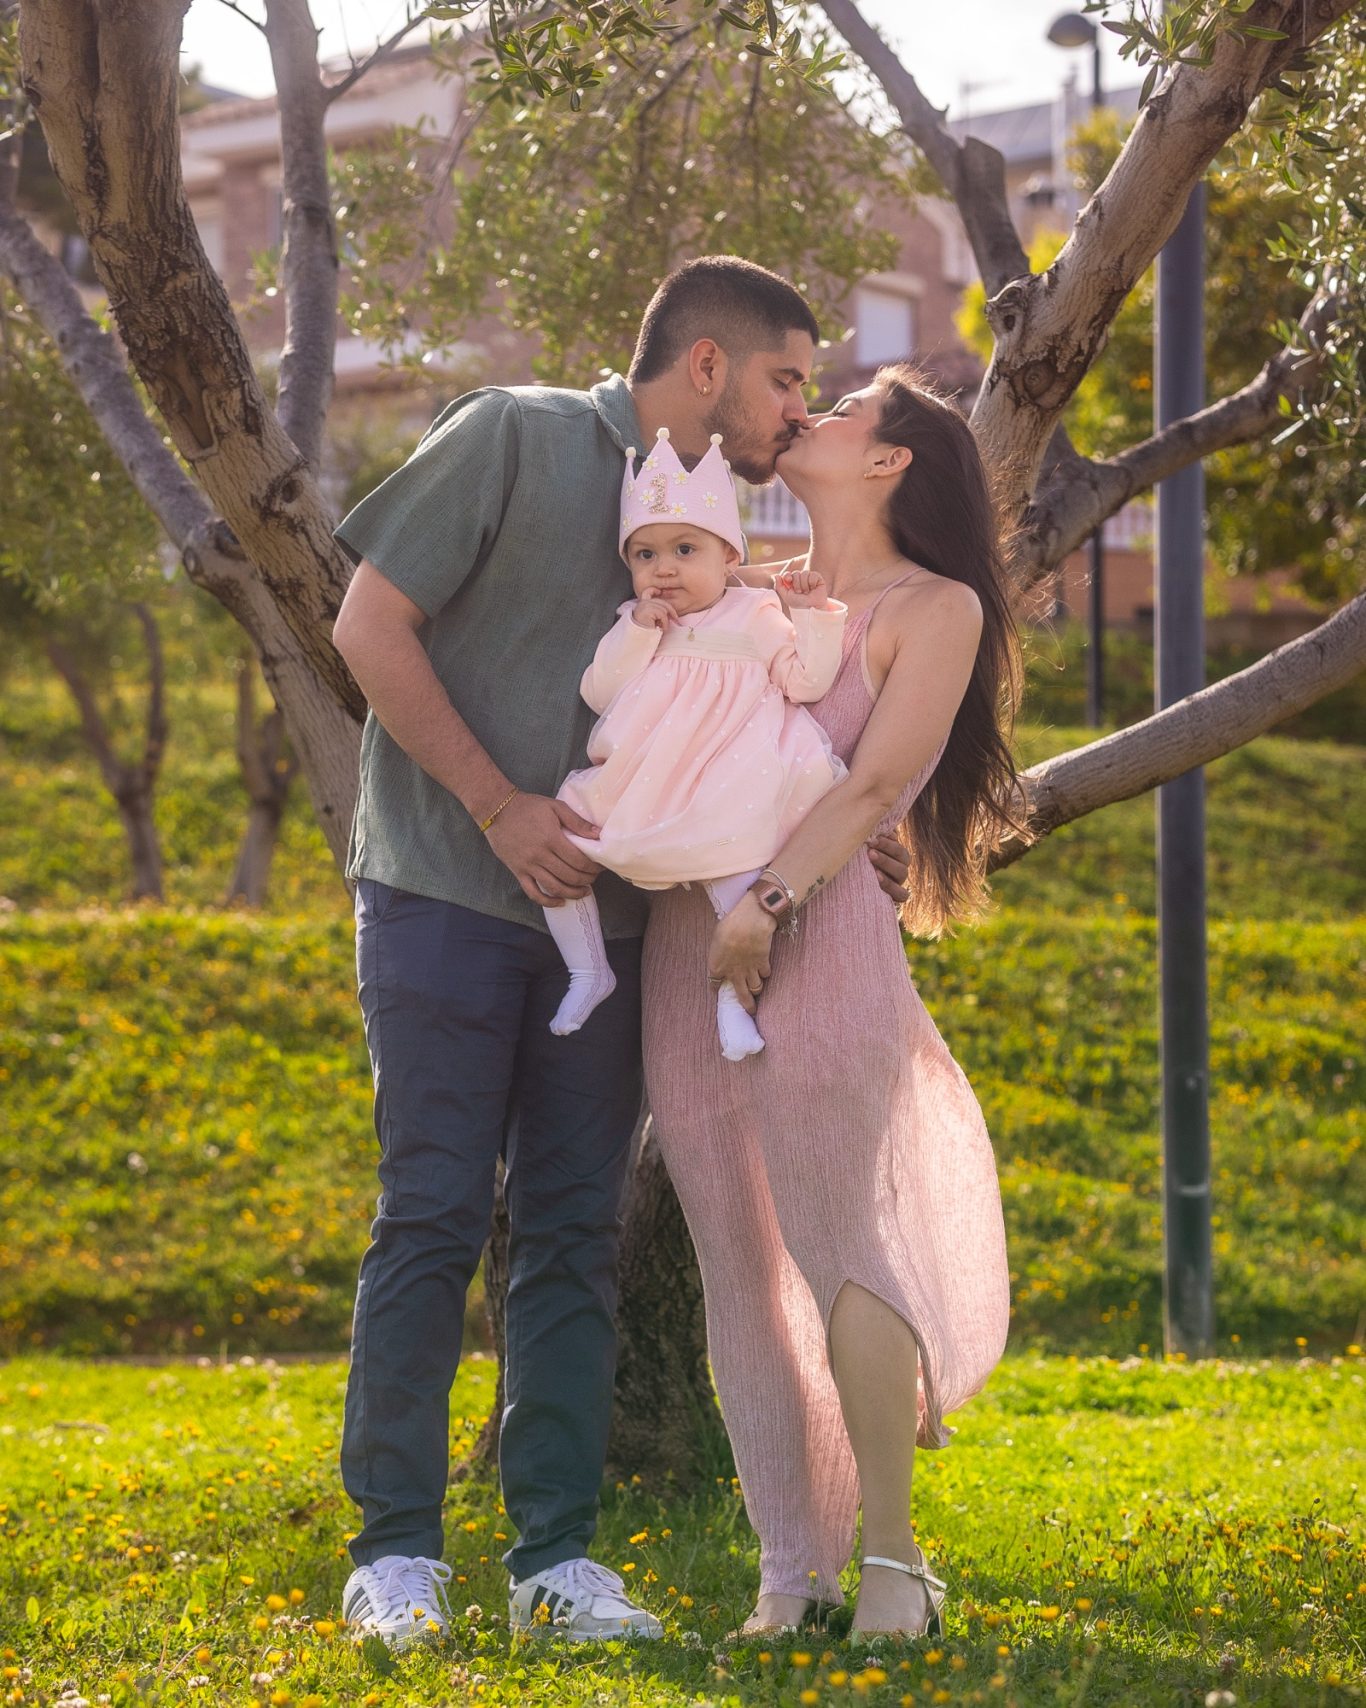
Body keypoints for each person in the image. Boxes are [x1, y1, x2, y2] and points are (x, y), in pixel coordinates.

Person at [327, 255, 910, 1650]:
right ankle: (395, 1555)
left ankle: (553, 1562)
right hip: (444, 902)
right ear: (705, 367)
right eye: (783, 378)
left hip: (624, 933)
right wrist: (497, 805)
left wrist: (840, 832)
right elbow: (365, 623)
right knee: (431, 1217)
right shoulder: (513, 435)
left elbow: (786, 707)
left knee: (575, 1237)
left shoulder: (732, 550)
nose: (796, 409)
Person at [642, 363, 1022, 1641]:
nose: (817, 409)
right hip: (685, 954)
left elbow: (870, 793)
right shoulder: (748, 588)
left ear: (890, 460)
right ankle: (784, 1571)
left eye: (849, 404)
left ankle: (893, 1566)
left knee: (836, 1242)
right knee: (737, 1263)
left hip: (818, 938)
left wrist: (767, 903)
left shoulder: (938, 606)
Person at [542, 424, 848, 1061]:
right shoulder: (636, 621)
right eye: (645, 556)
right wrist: (638, 634)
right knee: (562, 849)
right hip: (643, 776)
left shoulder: (754, 614)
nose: (664, 569)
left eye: (685, 549)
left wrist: (813, 617)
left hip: (724, 775)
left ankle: (732, 1004)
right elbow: (601, 694)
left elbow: (805, 682)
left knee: (735, 886)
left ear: (730, 557)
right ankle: (588, 970)